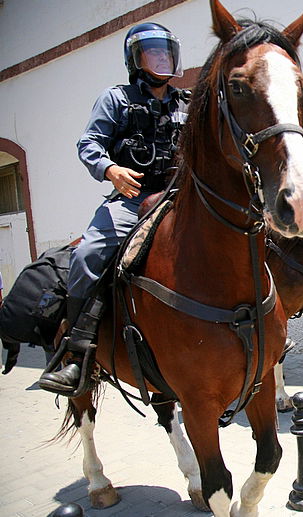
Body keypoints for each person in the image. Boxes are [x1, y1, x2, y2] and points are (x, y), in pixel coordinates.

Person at [38, 23, 189, 395]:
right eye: (153, 53)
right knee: (89, 254)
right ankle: (76, 355)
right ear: (136, 60)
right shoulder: (116, 98)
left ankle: (264, 329)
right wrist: (110, 169)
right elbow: (89, 143)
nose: (161, 59)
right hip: (133, 199)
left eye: (166, 53)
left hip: (181, 198)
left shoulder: (187, 103)